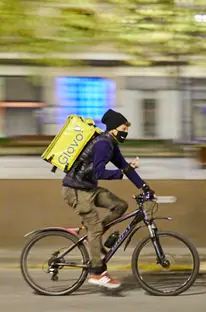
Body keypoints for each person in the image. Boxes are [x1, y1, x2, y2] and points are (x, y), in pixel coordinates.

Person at [62, 109, 154, 290]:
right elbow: (99, 172)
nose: (125, 132)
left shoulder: (111, 144)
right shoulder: (103, 144)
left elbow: (126, 168)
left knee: (120, 205)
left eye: (127, 129)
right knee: (95, 227)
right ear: (113, 129)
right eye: (123, 128)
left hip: (88, 188)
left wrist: (145, 187)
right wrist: (122, 172)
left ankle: (93, 236)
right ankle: (97, 273)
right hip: (76, 190)